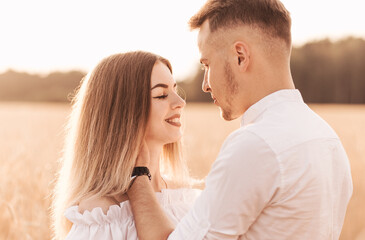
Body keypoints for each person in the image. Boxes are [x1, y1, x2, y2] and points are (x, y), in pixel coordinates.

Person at [127, 0, 353, 239]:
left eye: (207, 64)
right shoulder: (328, 139)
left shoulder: (255, 144)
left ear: (240, 56)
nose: (205, 84)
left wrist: (138, 176)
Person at [51, 51, 201, 239]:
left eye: (175, 91)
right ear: (123, 113)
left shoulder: (186, 195)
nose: (180, 102)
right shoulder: (103, 213)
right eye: (162, 95)